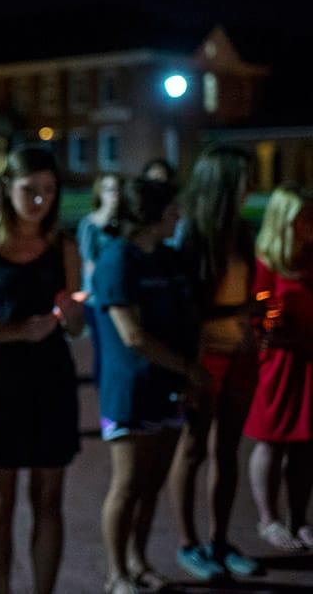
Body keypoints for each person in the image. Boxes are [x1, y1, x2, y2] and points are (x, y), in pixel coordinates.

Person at [0, 144, 85, 594]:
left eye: (48, 191)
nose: (39, 201)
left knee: (49, 499)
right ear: (8, 188)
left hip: (51, 379)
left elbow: (77, 317)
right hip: (0, 382)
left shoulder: (63, 244)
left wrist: (69, 316)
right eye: (30, 190)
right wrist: (13, 332)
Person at [93, 177, 207, 594]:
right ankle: (115, 573)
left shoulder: (168, 259)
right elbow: (133, 336)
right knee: (127, 485)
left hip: (168, 387)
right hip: (130, 391)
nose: (178, 216)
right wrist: (191, 370)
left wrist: (185, 374)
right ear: (152, 215)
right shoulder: (118, 260)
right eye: (173, 209)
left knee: (153, 484)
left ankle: (139, 562)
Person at [167, 144, 261, 579]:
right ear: (222, 183)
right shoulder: (192, 235)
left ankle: (221, 541)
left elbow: (246, 293)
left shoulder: (242, 231)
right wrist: (236, 313)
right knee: (192, 450)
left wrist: (255, 315)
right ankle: (190, 543)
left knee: (227, 452)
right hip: (205, 358)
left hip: (241, 352)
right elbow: (189, 308)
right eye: (243, 179)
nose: (250, 187)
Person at [244, 183, 313, 551]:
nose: (307, 221)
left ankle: (299, 519)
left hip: (309, 360)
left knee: (306, 446)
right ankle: (268, 519)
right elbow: (260, 313)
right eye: (300, 215)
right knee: (271, 441)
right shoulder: (267, 260)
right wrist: (273, 329)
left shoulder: (309, 255)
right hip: (279, 362)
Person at [75, 172, 123, 386]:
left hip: (121, 296)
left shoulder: (124, 224)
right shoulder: (90, 225)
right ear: (99, 193)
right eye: (109, 189)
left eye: (118, 188)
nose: (115, 194)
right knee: (103, 349)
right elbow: (88, 261)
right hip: (97, 298)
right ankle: (103, 401)